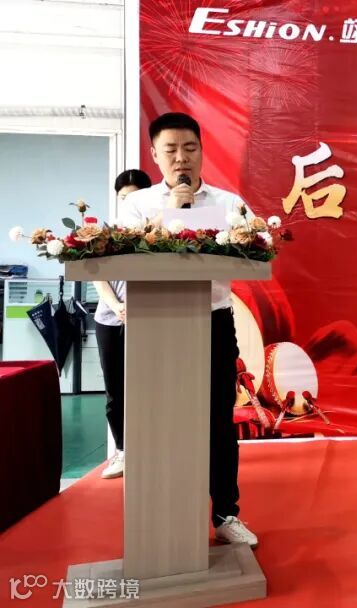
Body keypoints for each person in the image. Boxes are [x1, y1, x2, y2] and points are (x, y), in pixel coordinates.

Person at [118, 112, 258, 548]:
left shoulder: (229, 203)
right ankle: (160, 514)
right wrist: (171, 217)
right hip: (156, 324)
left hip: (213, 319)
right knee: (157, 420)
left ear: (201, 151)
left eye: (190, 148)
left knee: (218, 421)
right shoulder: (138, 206)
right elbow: (123, 258)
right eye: (171, 150)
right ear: (155, 155)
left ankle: (225, 514)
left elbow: (257, 249)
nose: (182, 158)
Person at [95, 169, 153, 480]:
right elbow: (97, 276)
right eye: (123, 198)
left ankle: (153, 450)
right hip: (111, 318)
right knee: (116, 390)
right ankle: (123, 452)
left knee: (151, 387)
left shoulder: (160, 233)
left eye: (135, 197)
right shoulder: (105, 234)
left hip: (151, 318)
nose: (128, 202)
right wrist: (116, 306)